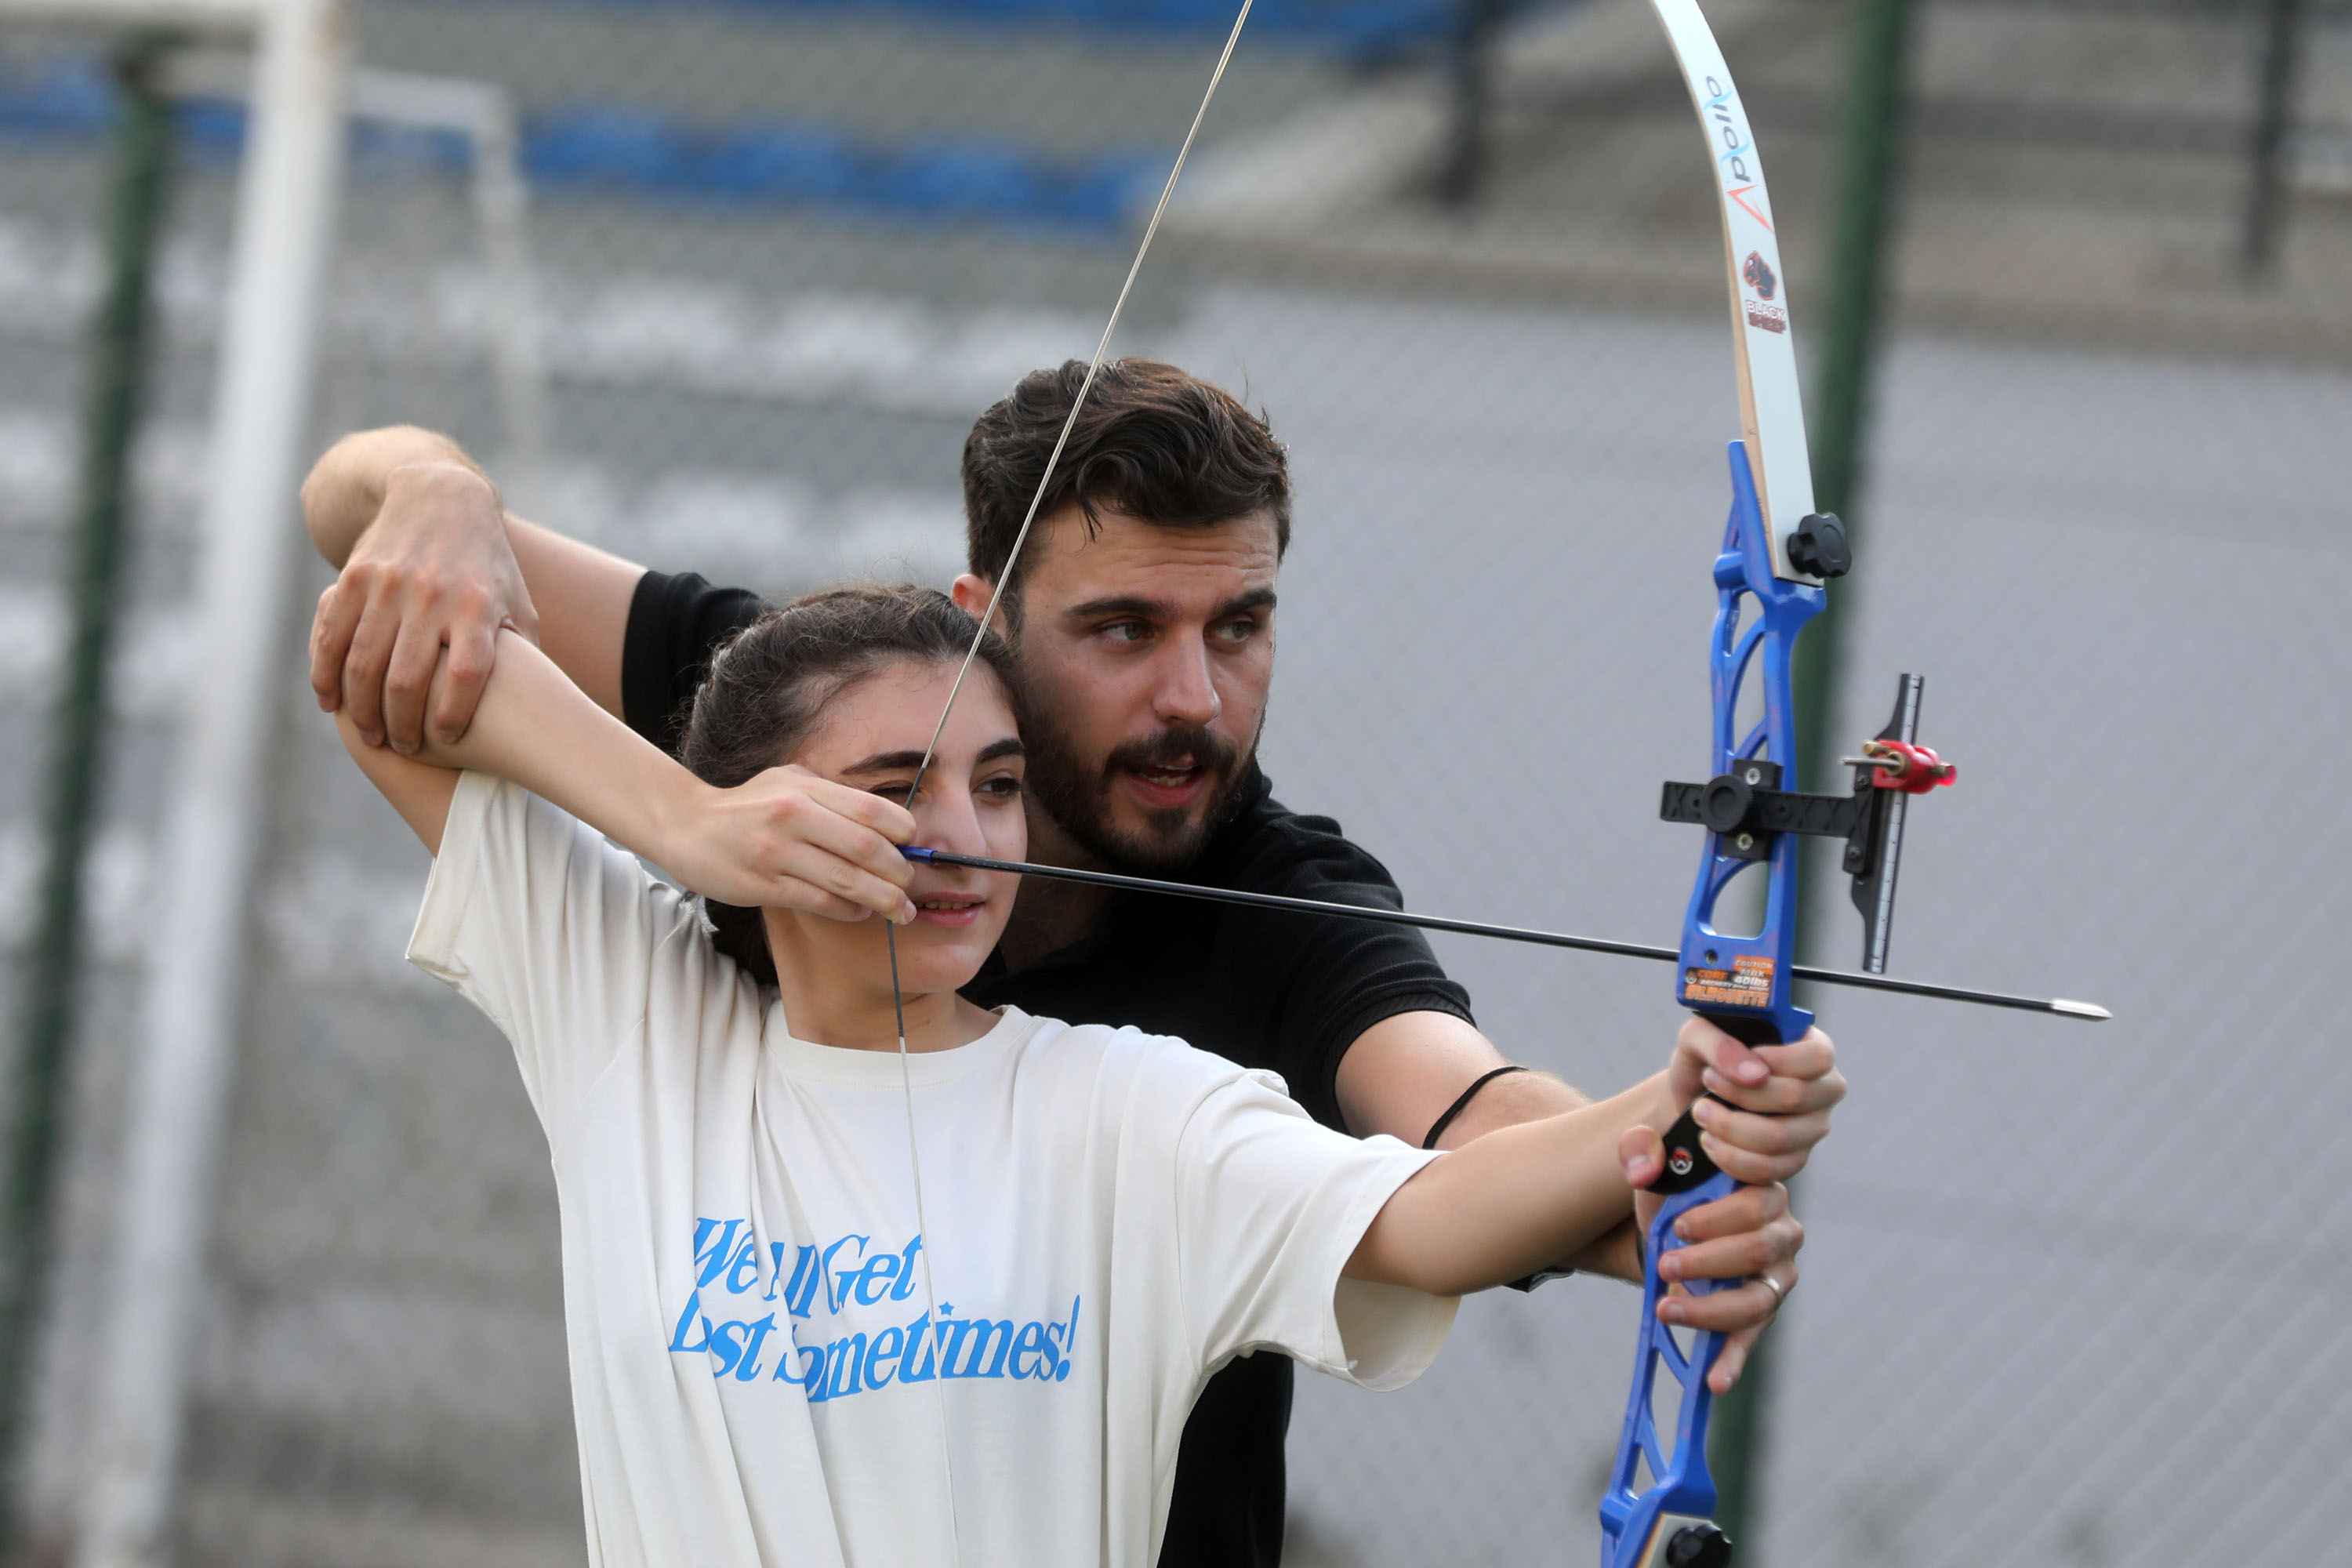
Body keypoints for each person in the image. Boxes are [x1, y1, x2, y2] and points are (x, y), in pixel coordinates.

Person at [300, 360, 1841, 1567]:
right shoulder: (798, 720)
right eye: (1121, 629)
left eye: (1240, 627)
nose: (1194, 698)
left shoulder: (1200, 1013)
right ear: (987, 626)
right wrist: (449, 504)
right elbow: (383, 614)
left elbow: (1454, 1142)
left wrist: (1667, 1148)